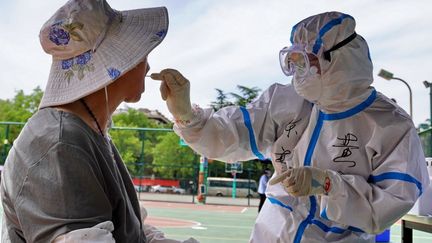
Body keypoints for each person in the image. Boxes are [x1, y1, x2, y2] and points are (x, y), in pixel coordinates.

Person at [152, 11, 429, 242]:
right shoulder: (285, 101)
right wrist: (187, 115)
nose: (298, 73)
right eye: (293, 62)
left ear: (339, 61)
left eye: (307, 62)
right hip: (271, 235)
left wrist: (329, 184)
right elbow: (231, 135)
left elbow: (388, 205)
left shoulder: (390, 125)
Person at [0, 1, 198, 242]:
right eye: (142, 53)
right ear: (119, 62)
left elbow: (132, 230)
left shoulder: (86, 131)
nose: (147, 65)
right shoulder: (60, 142)